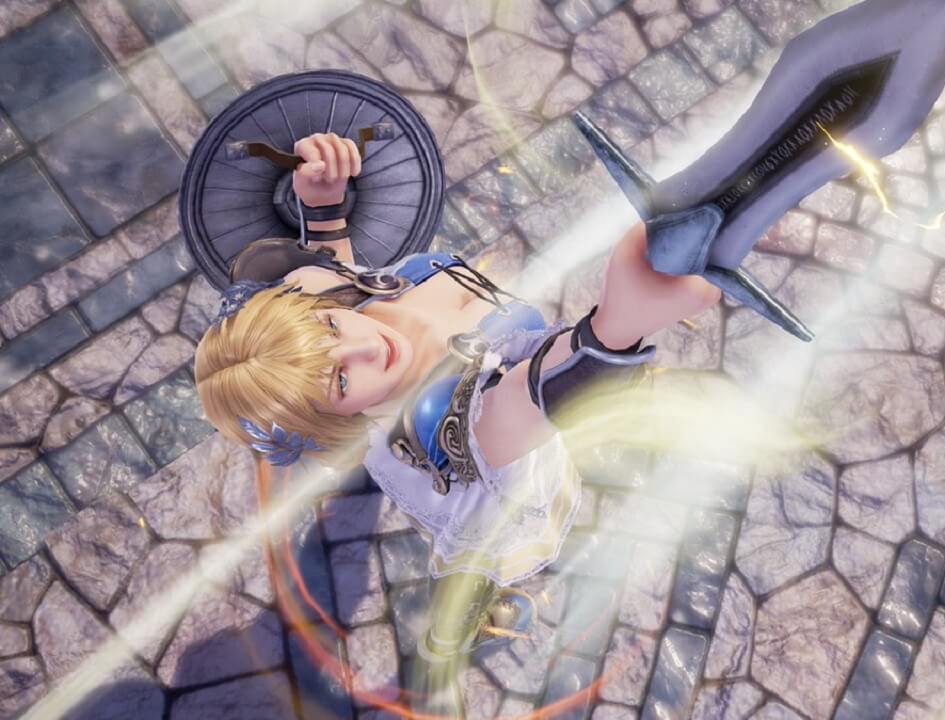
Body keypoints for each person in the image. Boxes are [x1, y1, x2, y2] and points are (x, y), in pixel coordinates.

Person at [193, 132, 720, 661]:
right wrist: (616, 328)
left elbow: (333, 276)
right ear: (335, 421)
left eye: (330, 328)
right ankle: (450, 637)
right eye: (341, 380)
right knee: (469, 565)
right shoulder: (444, 419)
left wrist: (324, 205)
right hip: (488, 486)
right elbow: (537, 395)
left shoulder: (327, 293)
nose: (367, 347)